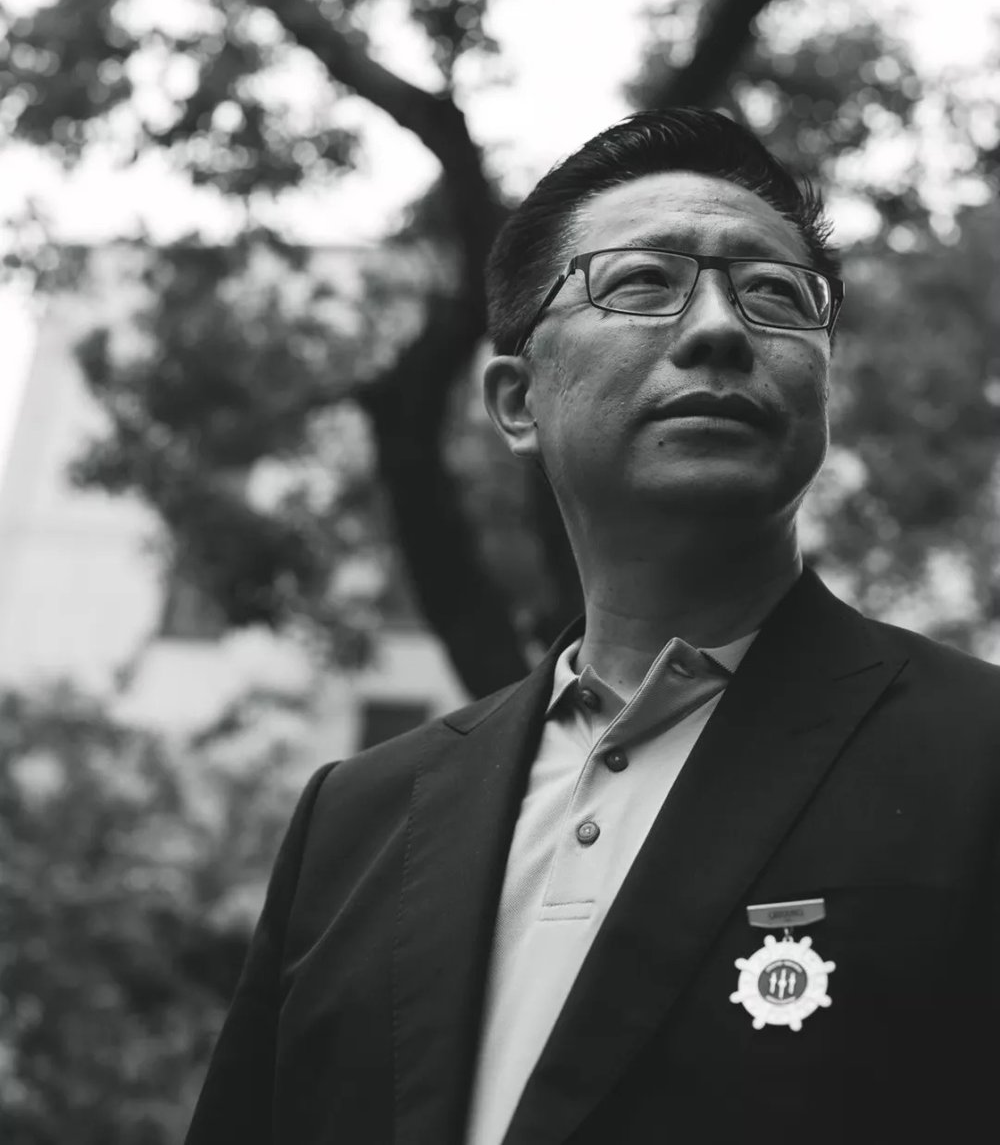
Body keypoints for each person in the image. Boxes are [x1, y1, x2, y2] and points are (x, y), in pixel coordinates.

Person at [184, 108, 1000, 1145]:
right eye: (643, 282)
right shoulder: (354, 821)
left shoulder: (974, 755)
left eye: (774, 294)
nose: (719, 327)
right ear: (516, 401)